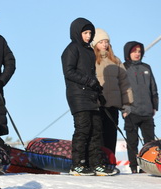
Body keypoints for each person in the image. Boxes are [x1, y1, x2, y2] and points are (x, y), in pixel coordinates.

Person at [61, 18, 116, 176]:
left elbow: (91, 74)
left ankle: (96, 164)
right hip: (77, 96)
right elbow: (69, 71)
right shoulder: (71, 49)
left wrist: (98, 90)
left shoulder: (89, 51)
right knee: (83, 129)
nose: (88, 35)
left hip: (91, 96)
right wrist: (89, 81)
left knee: (96, 130)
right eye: (85, 32)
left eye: (90, 33)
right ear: (77, 33)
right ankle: (77, 164)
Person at [91, 29, 134, 154]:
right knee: (97, 135)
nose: (104, 44)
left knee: (111, 136)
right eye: (101, 42)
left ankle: (110, 161)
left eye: (107, 42)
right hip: (97, 104)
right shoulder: (91, 59)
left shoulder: (116, 60)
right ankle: (98, 162)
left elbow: (124, 83)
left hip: (113, 105)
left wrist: (127, 103)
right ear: (95, 44)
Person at [123, 41, 158, 173]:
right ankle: (133, 167)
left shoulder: (147, 67)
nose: (137, 54)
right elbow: (121, 89)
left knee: (149, 142)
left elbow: (153, 88)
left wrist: (154, 106)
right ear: (128, 53)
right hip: (131, 111)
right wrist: (124, 108)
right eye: (134, 51)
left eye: (139, 51)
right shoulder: (124, 67)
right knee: (132, 142)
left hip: (147, 111)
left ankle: (147, 167)